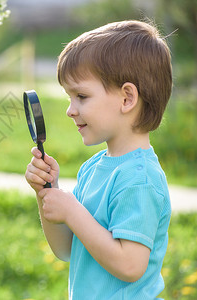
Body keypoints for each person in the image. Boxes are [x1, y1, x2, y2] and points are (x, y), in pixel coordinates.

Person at [25, 20, 172, 299]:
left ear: (127, 98)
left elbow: (130, 265)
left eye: (81, 96)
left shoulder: (139, 179)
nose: (70, 110)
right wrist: (47, 193)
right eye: (70, 97)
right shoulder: (93, 168)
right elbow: (66, 249)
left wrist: (72, 211)